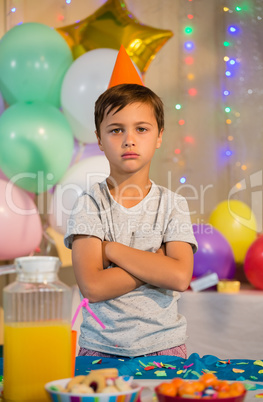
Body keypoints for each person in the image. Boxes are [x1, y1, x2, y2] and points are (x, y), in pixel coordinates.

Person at [64, 83, 198, 359]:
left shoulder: (173, 204)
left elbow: (179, 276)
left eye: (141, 128)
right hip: (100, 349)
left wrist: (112, 250)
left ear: (159, 136)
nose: (129, 139)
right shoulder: (89, 204)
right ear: (99, 140)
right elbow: (94, 287)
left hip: (165, 347)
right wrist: (156, 261)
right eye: (116, 130)